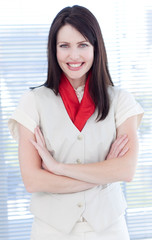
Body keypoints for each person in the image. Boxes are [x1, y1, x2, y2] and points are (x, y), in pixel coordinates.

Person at [8, 5, 144, 240]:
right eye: (64, 46)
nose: (74, 56)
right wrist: (102, 173)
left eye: (82, 45)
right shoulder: (32, 102)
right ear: (54, 50)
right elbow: (32, 180)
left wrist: (57, 168)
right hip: (50, 230)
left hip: (109, 229)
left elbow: (125, 170)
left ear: (96, 48)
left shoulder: (121, 101)